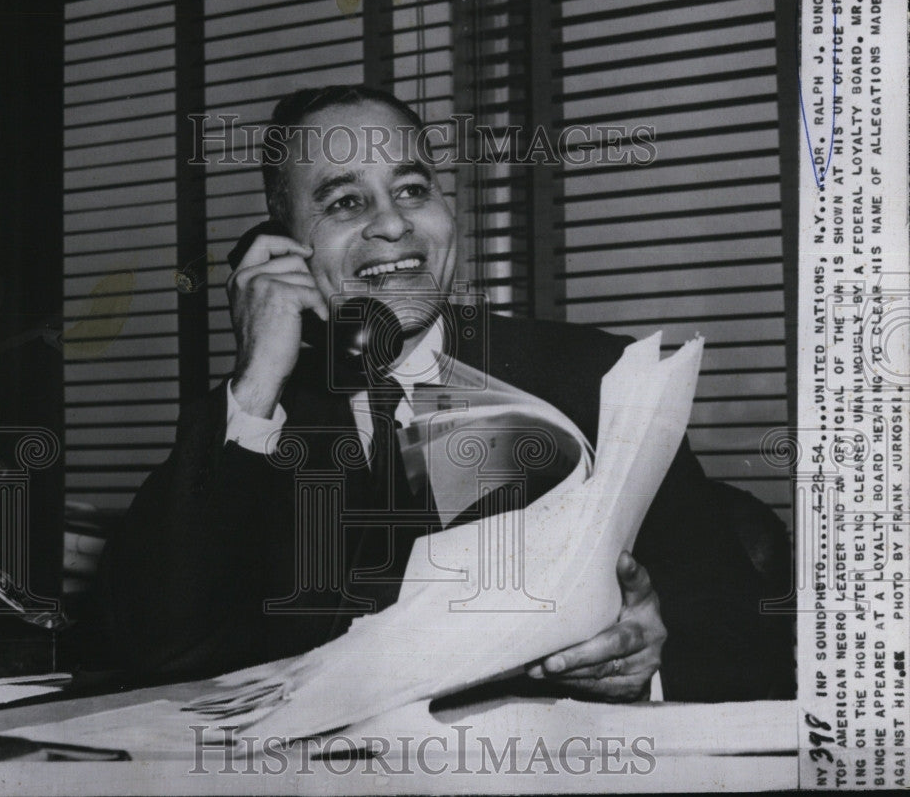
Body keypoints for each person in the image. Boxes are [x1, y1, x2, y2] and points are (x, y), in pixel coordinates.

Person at [96, 85, 795, 703]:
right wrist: (254, 384)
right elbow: (155, 650)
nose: (393, 224)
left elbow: (745, 641)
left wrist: (652, 655)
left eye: (412, 190)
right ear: (282, 246)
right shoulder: (264, 421)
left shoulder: (597, 377)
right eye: (346, 202)